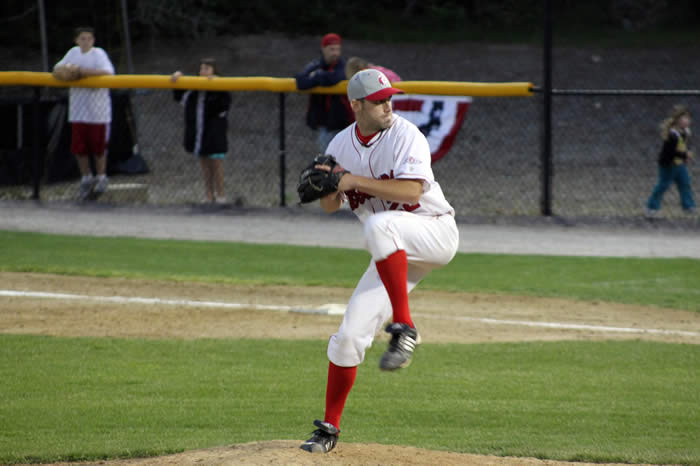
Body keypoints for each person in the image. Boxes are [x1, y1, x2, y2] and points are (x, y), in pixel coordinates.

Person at [299, 69, 459, 454]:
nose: (388, 105)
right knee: (349, 336)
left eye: (390, 98)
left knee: (380, 227)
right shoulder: (341, 144)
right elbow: (329, 205)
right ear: (356, 106)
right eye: (379, 100)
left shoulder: (407, 135)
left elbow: (411, 189)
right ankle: (328, 430)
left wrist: (352, 180)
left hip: (433, 232)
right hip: (393, 252)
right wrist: (328, 185)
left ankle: (404, 326)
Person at [54, 26, 115, 201]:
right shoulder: (73, 53)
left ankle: (101, 177)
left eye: (89, 38)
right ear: (76, 40)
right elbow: (57, 69)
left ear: (93, 40)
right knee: (79, 147)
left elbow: (108, 72)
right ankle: (86, 177)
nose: (86, 41)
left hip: (98, 110)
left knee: (98, 147)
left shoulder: (99, 54)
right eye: (82, 38)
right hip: (79, 109)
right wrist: (67, 71)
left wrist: (81, 72)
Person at [171, 58, 232, 204]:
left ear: (214, 71)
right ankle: (209, 194)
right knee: (205, 165)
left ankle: (221, 195)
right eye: (201, 69)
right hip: (200, 135)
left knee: (216, 164)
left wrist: (218, 84)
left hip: (215, 135)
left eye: (207, 69)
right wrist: (178, 78)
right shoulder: (194, 91)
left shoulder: (220, 89)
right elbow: (180, 97)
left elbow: (225, 103)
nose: (203, 72)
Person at [295, 33, 354, 154]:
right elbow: (300, 81)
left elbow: (335, 78)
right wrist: (321, 77)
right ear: (323, 49)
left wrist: (316, 77)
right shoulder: (316, 65)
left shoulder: (344, 66)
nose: (335, 53)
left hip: (344, 122)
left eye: (337, 49)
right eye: (331, 49)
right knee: (326, 159)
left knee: (346, 160)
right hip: (325, 123)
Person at [645, 105, 696, 217]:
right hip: (668, 165)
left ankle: (688, 206)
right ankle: (651, 208)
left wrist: (688, 152)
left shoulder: (686, 132)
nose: (687, 121)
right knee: (663, 185)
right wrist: (685, 155)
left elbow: (686, 145)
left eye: (688, 118)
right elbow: (670, 152)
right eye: (684, 118)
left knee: (684, 184)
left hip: (679, 165)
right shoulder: (672, 134)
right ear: (677, 120)